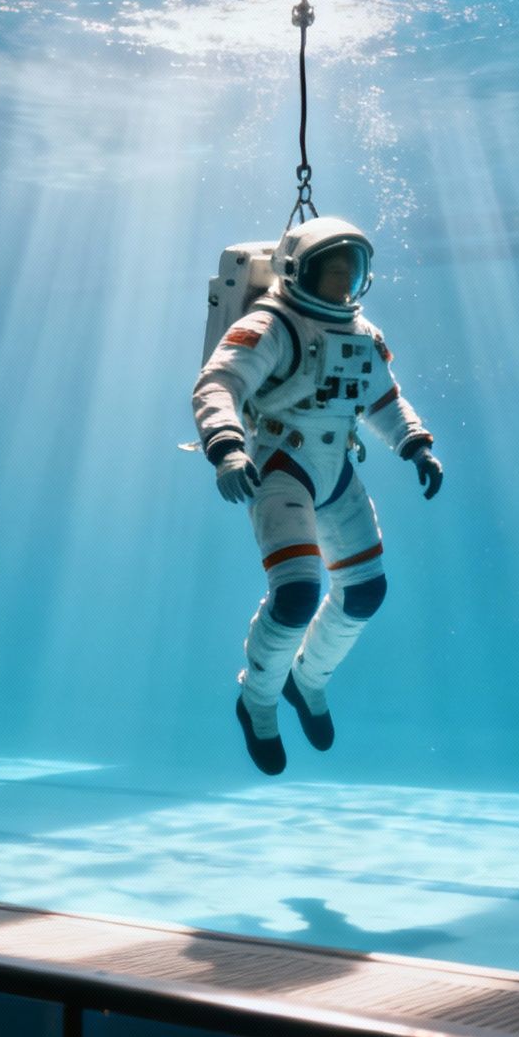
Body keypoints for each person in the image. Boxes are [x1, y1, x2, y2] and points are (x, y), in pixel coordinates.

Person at [192, 217, 444, 775]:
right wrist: (227, 448)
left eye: (349, 275)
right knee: (297, 595)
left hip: (334, 473)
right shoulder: (270, 325)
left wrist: (416, 445)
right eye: (330, 274)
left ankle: (307, 680)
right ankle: (257, 698)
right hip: (281, 465)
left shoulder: (363, 334)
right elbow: (218, 384)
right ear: (296, 272)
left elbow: (382, 400)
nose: (340, 287)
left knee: (365, 592)